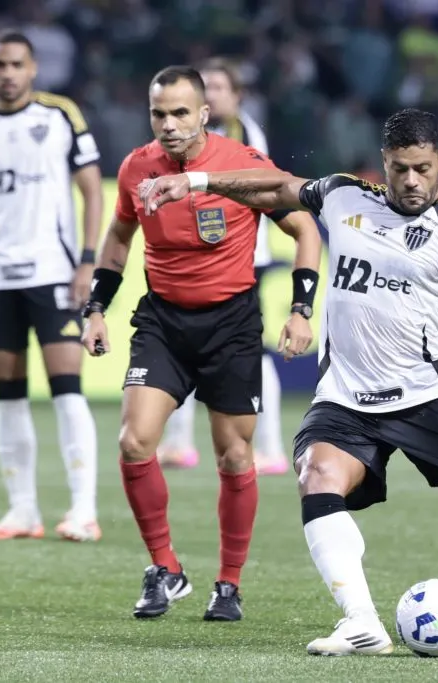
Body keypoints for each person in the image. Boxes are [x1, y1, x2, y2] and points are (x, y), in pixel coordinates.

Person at [138, 108, 438, 654]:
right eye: (399, 169)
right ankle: (361, 623)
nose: (411, 181)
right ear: (384, 164)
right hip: (345, 400)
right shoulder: (346, 196)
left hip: (426, 398)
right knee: (317, 474)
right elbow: (278, 188)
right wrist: (197, 181)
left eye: (422, 168)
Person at [79, 66, 323, 622]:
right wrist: (95, 309)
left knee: (235, 456)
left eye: (180, 113)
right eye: (158, 114)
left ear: (205, 114)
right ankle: (165, 568)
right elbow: (119, 237)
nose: (168, 125)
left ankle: (229, 583)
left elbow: (305, 229)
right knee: (134, 442)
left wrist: (301, 311)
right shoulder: (136, 168)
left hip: (232, 326)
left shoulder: (243, 166)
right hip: (163, 323)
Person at [0, 30, 104, 543]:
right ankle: (23, 511)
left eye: (17, 64)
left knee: (66, 388)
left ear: (33, 69)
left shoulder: (60, 116)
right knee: (8, 394)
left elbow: (92, 189)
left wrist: (86, 263)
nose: (8, 73)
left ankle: (83, 509)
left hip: (52, 271)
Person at [156, 58, 289, 476]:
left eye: (219, 87)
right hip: (205, 253)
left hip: (242, 256)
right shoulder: (201, 133)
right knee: (187, 346)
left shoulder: (242, 137)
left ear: (235, 95)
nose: (211, 94)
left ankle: (269, 446)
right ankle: (179, 442)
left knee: (253, 352)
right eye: (206, 87)